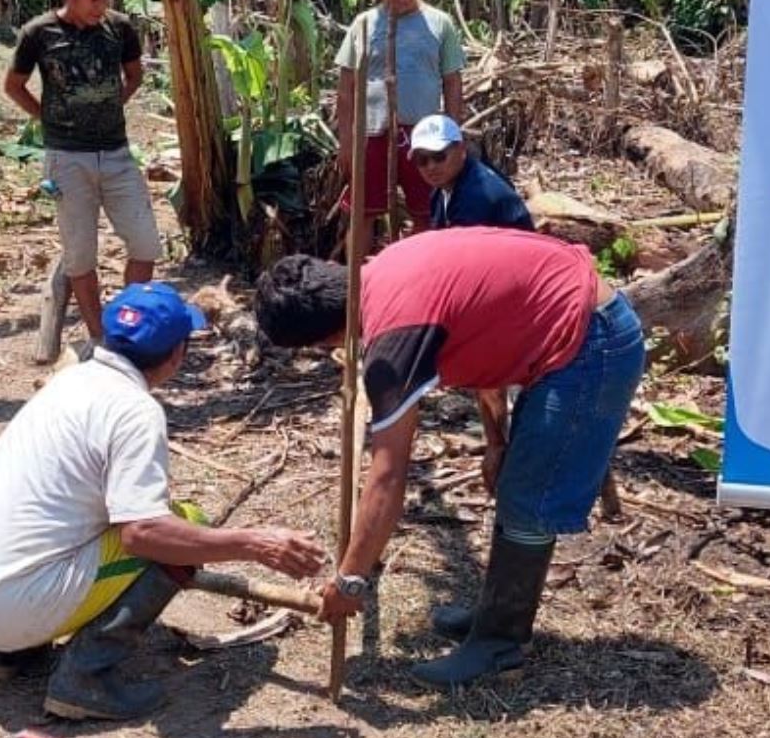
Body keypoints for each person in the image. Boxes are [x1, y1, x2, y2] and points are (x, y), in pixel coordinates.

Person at [254, 229, 645, 689]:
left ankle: (501, 644)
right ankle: (494, 612)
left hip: (589, 343)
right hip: (571, 319)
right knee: (515, 480)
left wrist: (350, 581)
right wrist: (496, 440)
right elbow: (488, 329)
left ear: (324, 340)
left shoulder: (396, 339)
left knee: (527, 497)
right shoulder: (385, 268)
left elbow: (387, 475)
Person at [0, 283, 324, 721]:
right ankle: (84, 680)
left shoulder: (70, 381)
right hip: (12, 599)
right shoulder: (133, 410)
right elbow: (143, 534)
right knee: (181, 526)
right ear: (177, 354)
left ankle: (14, 654)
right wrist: (253, 542)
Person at [5, 0, 163, 342]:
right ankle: (99, 338)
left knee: (145, 243)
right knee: (79, 253)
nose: (102, 6)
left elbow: (134, 76)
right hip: (66, 159)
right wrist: (48, 118)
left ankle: (128, 325)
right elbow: (13, 86)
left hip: (116, 153)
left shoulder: (120, 29)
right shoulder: (38, 34)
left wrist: (110, 106)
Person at [335, 0, 466, 239]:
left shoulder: (439, 23)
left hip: (424, 134)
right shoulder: (364, 24)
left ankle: (422, 278)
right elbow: (345, 89)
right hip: (372, 133)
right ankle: (357, 281)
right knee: (363, 212)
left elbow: (452, 82)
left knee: (426, 211)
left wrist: (453, 133)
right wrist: (346, 141)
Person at [408, 114, 533, 231]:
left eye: (439, 156)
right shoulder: (443, 189)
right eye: (422, 160)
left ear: (462, 150)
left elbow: (462, 250)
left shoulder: (477, 197)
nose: (431, 166)